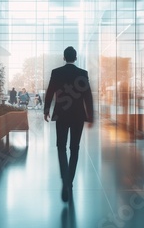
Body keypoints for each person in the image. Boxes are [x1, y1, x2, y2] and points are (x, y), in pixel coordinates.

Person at [44, 46, 94, 202]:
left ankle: (65, 179)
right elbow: (88, 96)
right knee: (74, 148)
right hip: (78, 116)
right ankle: (69, 181)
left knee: (60, 146)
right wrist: (90, 116)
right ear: (76, 57)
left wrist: (46, 110)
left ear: (64, 57)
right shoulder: (82, 74)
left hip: (61, 114)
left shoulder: (56, 72)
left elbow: (50, 92)